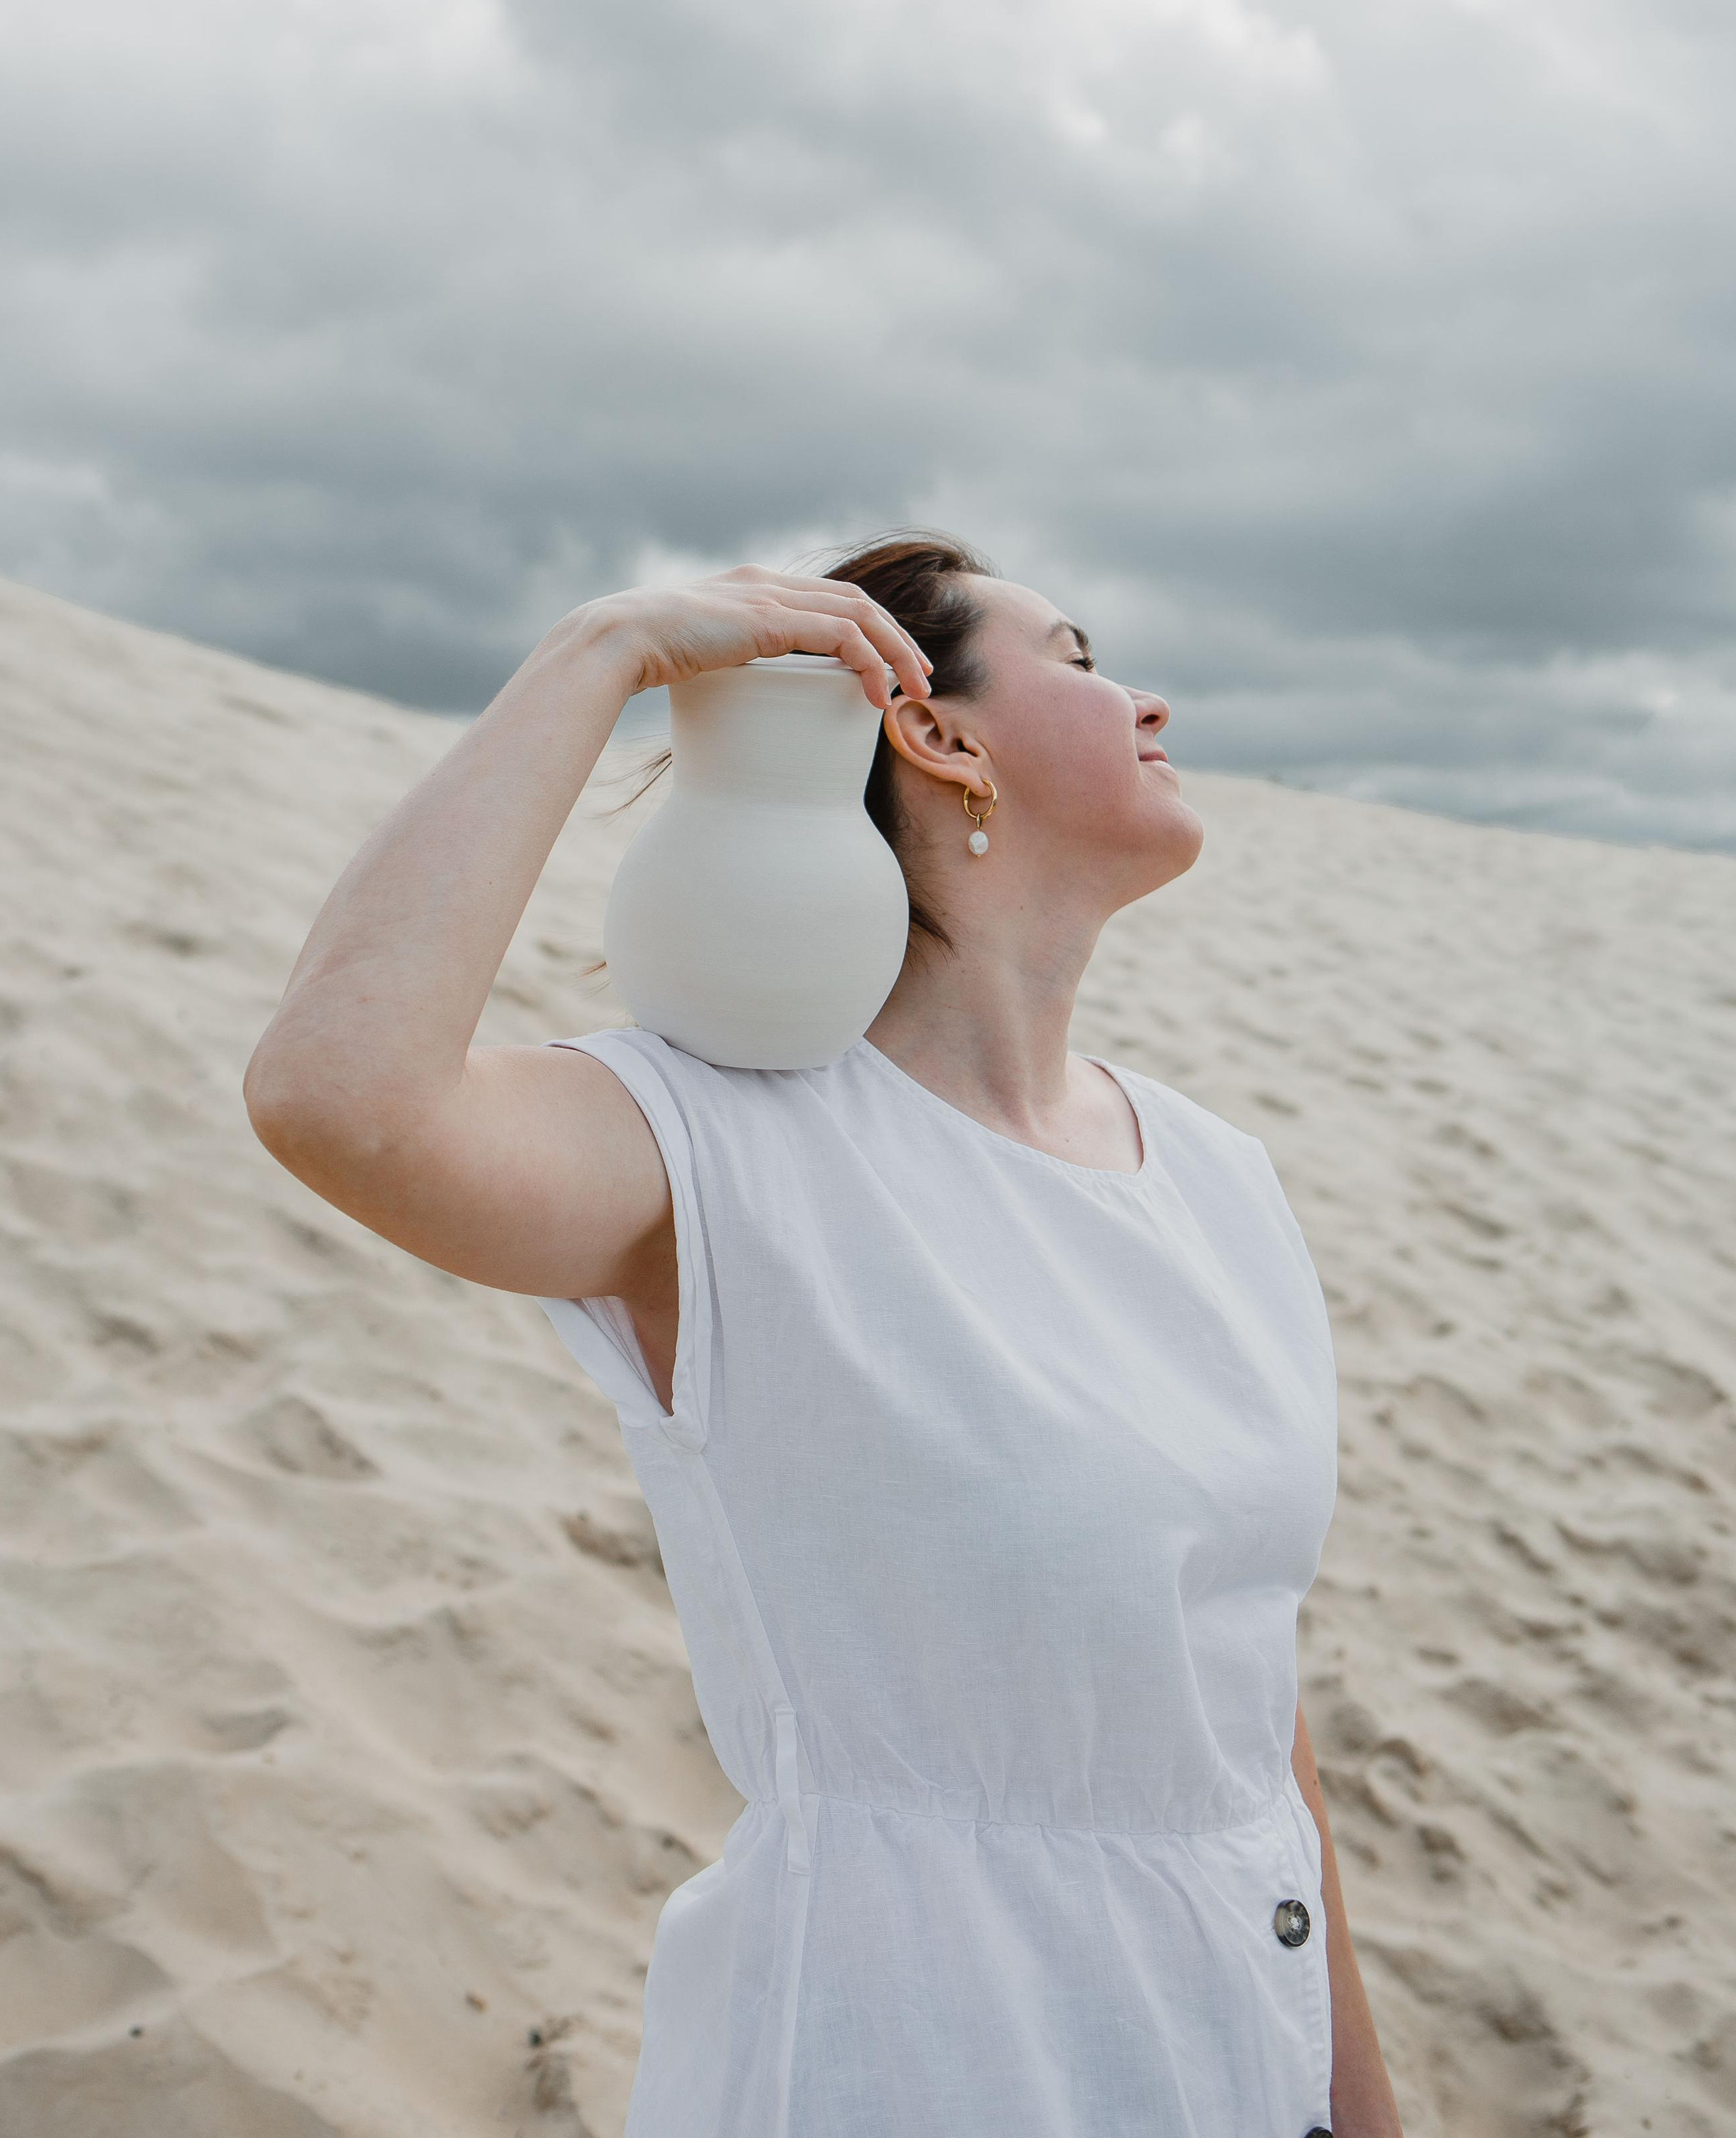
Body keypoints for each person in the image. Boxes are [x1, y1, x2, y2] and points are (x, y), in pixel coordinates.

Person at [244, 531, 1401, 2138]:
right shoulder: (726, 1144)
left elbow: (1245, 1723)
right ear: (936, 734)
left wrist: (1352, 2107)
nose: (1145, 698)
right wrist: (604, 651)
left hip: (1233, 2038)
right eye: (1073, 657)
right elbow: (336, 1103)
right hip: (916, 2054)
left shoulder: (1216, 1175)